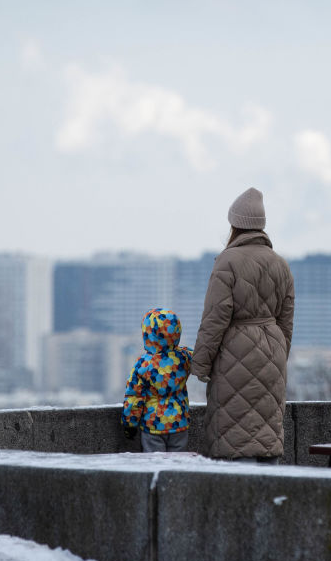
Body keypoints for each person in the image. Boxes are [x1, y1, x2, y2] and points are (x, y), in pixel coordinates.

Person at [192, 187, 295, 462]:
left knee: (234, 435)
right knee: (266, 430)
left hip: (234, 352)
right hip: (272, 353)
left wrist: (200, 363)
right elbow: (286, 320)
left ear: (235, 225)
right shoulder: (280, 264)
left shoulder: (228, 261)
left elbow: (215, 317)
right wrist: (278, 353)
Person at [120, 308, 193, 453]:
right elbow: (202, 359)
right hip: (180, 423)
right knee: (179, 465)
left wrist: (129, 423)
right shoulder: (184, 357)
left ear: (148, 334)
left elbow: (134, 396)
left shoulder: (143, 364)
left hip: (153, 425)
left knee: (155, 464)